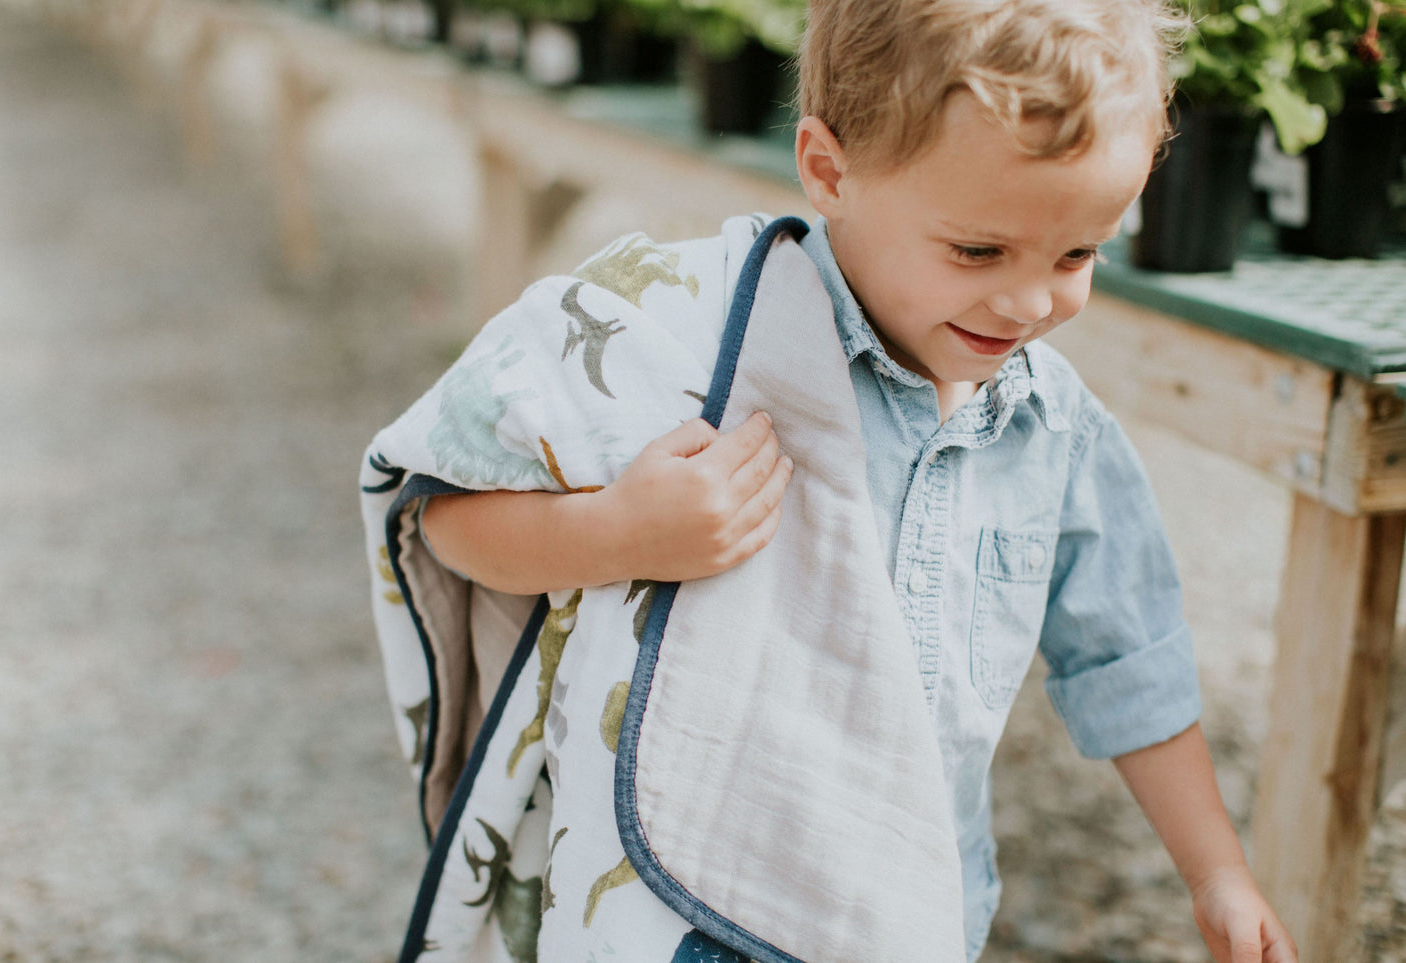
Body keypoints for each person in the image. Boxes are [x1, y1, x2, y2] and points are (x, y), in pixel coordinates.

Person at [362, 0, 1298, 960]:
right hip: (682, 909)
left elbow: (1127, 653)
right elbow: (443, 517)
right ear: (827, 170)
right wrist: (617, 533)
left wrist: (1214, 870)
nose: (1028, 300)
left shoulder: (1049, 426)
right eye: (977, 251)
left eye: (1076, 253)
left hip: (909, 910)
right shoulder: (673, 339)